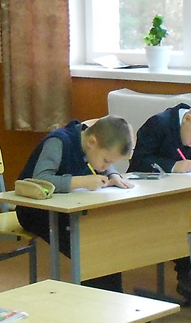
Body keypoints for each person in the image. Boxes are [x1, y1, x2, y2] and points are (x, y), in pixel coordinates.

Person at [16, 115, 134, 292]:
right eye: (106, 161)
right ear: (92, 142)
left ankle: (110, 301)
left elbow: (104, 161)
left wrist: (113, 174)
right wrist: (82, 181)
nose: (106, 166)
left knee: (107, 245)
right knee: (91, 249)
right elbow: (40, 180)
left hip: (69, 211)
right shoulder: (58, 142)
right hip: (36, 211)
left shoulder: (90, 144)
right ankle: (97, 301)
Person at [127, 102, 191, 306]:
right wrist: (172, 165)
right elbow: (139, 161)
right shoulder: (158, 124)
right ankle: (189, 277)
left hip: (179, 190)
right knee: (185, 224)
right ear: (187, 119)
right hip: (149, 194)